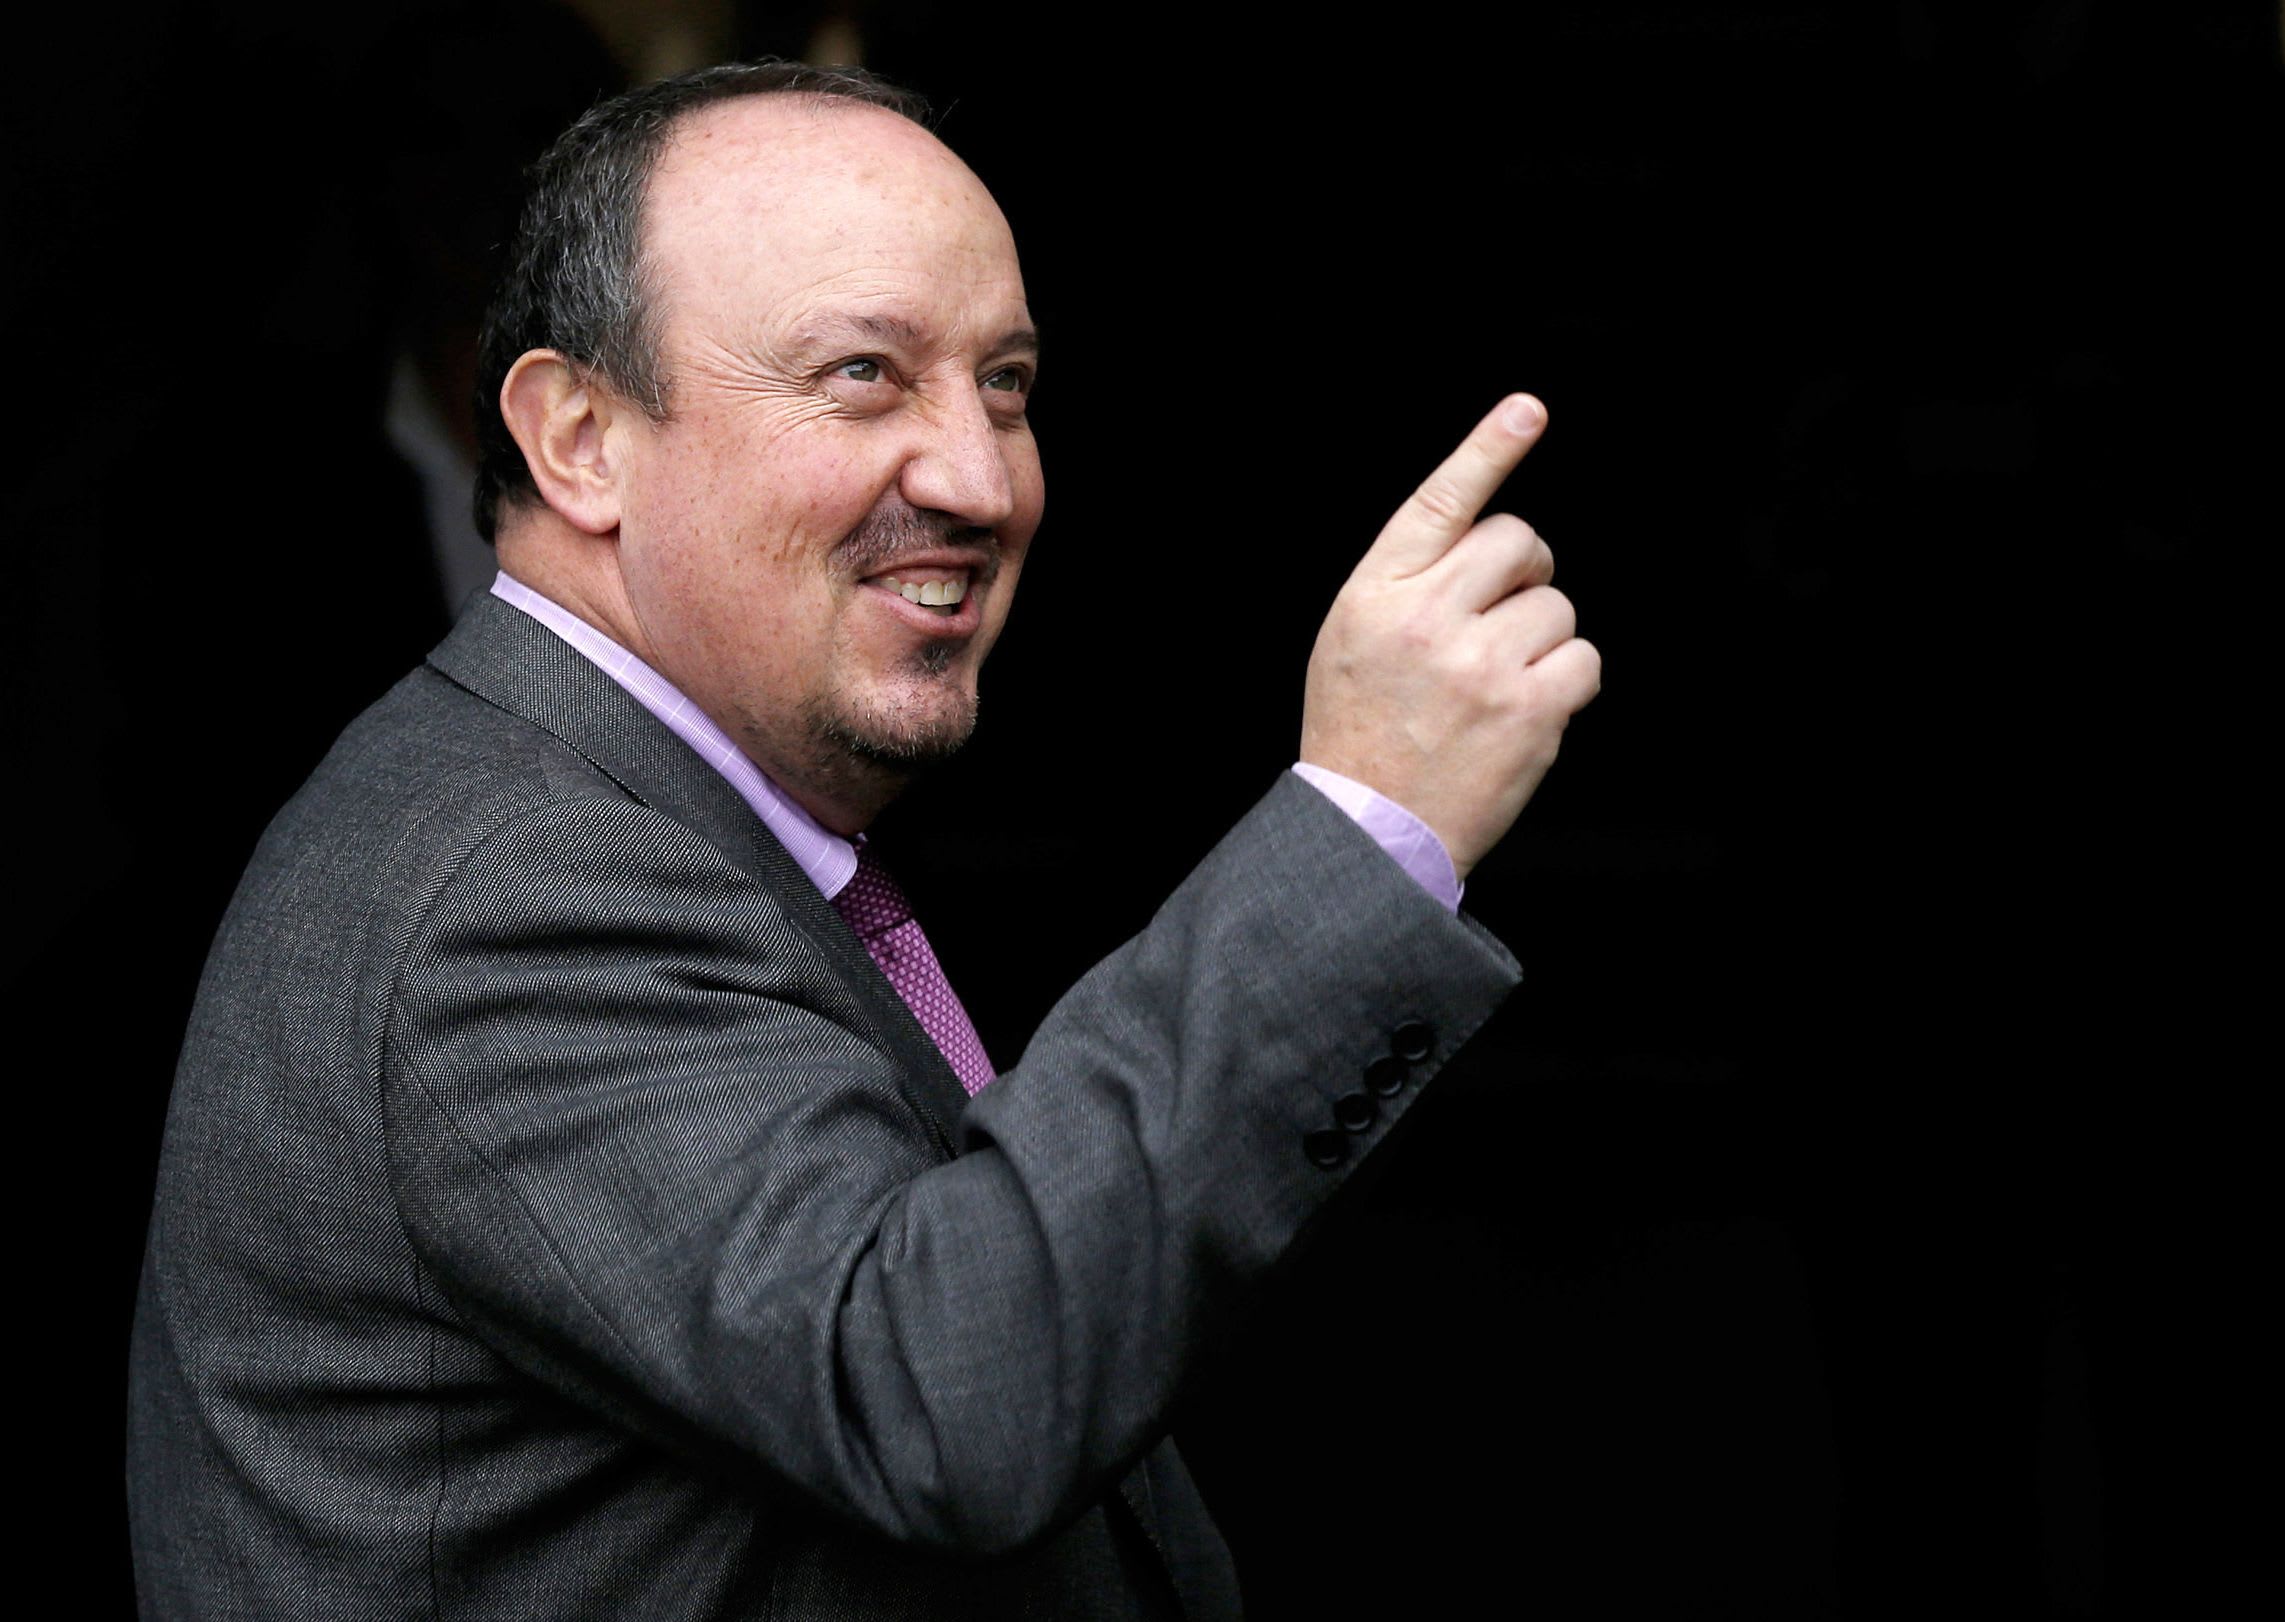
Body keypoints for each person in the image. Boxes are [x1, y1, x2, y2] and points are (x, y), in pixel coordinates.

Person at [126, 61, 1599, 1619]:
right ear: (579, 438)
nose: (979, 477)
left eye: (1007, 384)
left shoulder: (636, 809)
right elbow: (950, 1387)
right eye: (861, 375)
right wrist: (1364, 820)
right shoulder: (518, 882)